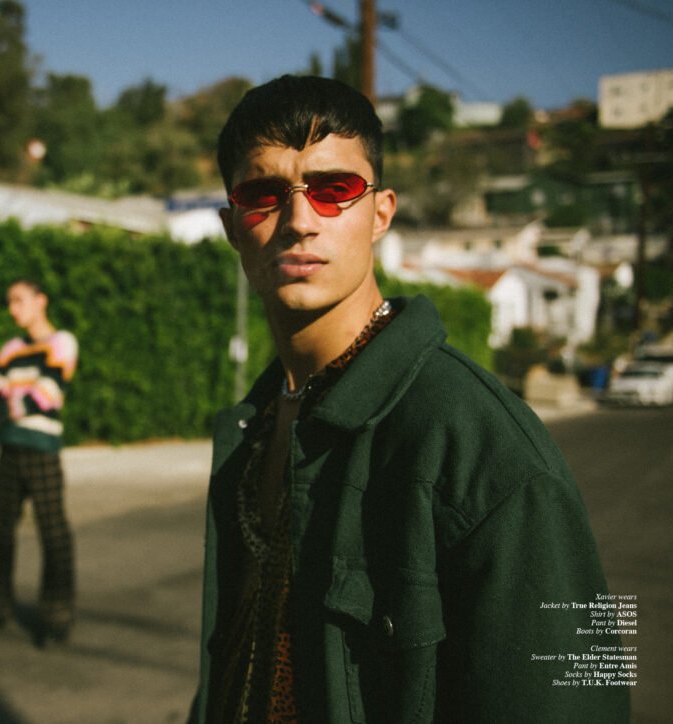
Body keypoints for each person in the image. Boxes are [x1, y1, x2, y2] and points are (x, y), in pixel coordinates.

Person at [189, 75, 629, 723]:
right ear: (231, 225)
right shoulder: (253, 427)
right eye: (263, 194)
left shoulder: (483, 443)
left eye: (334, 189)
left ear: (381, 214)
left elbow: (573, 703)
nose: (300, 220)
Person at [0, 279, 79, 645]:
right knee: (2, 531)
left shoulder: (62, 343)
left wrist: (5, 403)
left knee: (53, 533)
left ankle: (57, 618)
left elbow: (45, 396)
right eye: (9, 301)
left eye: (19, 300)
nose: (12, 308)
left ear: (40, 300)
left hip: (42, 449)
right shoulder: (11, 349)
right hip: (10, 448)